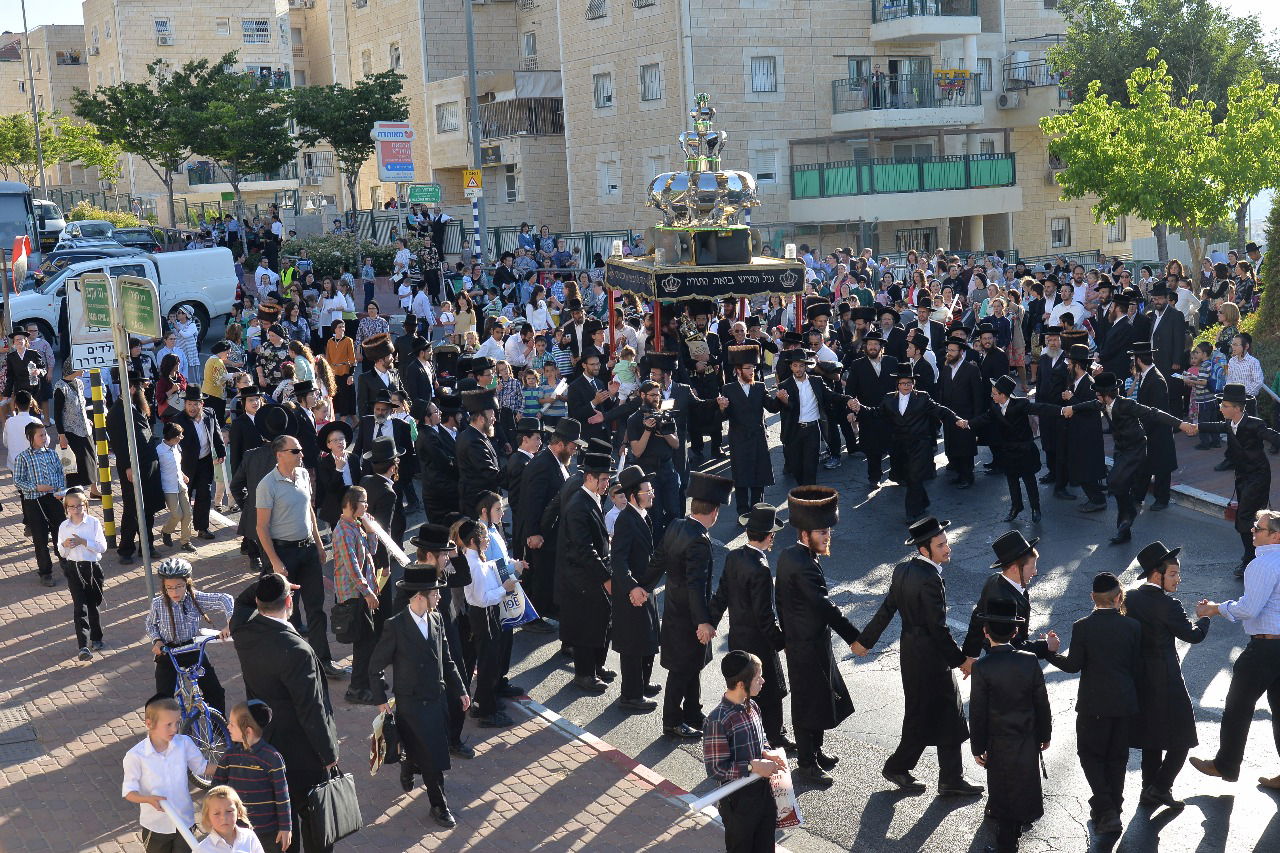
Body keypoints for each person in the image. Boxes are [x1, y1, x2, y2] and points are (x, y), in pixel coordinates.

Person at [854, 517, 983, 797]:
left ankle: (941, 776)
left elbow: (888, 608)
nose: (948, 548)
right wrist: (961, 660)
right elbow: (937, 628)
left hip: (911, 654)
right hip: (931, 658)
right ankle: (929, 774)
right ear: (925, 550)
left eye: (946, 541)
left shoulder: (902, 570)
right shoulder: (930, 580)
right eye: (941, 544)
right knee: (942, 713)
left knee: (927, 714)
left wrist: (866, 641)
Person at [230, 573, 341, 853]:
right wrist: (328, 755)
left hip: (265, 744)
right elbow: (311, 709)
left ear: (259, 602)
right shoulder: (297, 650)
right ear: (290, 601)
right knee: (316, 822)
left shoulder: (243, 630)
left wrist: (272, 583)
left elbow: (243, 601)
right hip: (301, 751)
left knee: (281, 822)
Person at [370, 562, 471, 829]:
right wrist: (381, 701)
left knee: (427, 750)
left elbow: (447, 660)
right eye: (434, 592)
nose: (439, 595)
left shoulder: (436, 619)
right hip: (412, 704)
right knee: (433, 757)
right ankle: (439, 805)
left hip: (436, 699)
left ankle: (408, 761)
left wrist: (460, 690)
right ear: (418, 596)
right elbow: (375, 666)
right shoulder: (396, 626)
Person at [775, 485, 861, 785]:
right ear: (804, 534)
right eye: (822, 532)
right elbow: (824, 606)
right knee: (807, 703)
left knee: (820, 697)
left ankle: (816, 751)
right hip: (806, 645)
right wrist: (854, 637)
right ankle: (808, 764)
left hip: (808, 642)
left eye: (828, 530)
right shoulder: (803, 565)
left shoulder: (793, 556)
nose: (828, 536)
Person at [1046, 572, 1141, 835]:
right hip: (1124, 704)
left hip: (1093, 706)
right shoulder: (1132, 627)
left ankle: (1107, 809)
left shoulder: (1082, 627)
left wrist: (1049, 652)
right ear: (1118, 597)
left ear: (1092, 598)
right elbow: (1136, 666)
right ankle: (1113, 809)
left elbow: (1073, 665)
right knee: (1117, 758)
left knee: (1091, 756)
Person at [1125, 541, 1210, 810]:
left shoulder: (1130, 597)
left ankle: (1147, 789)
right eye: (1173, 574)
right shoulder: (1168, 605)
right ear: (1156, 574)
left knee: (1152, 737)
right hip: (1165, 679)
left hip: (1139, 679)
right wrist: (1204, 617)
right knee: (1182, 737)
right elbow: (1193, 636)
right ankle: (1161, 787)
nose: (1178, 579)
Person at [1062, 371, 1192, 545]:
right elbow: (1088, 405)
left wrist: (1181, 424)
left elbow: (1154, 413)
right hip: (1121, 448)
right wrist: (1071, 408)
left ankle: (1128, 515)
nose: (1096, 396)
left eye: (1097, 393)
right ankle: (1124, 529)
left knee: (1114, 481)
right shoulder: (1102, 404)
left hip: (1136, 448)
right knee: (1119, 486)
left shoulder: (1127, 405)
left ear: (1105, 394)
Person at [255, 434, 346, 679]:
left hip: (307, 551)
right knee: (288, 612)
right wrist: (275, 561)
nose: (301, 455)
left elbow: (309, 512)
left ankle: (323, 662)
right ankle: (295, 664)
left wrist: (318, 544)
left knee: (316, 608)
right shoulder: (267, 485)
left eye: (301, 450)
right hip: (283, 553)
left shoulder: (304, 475)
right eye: (295, 451)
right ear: (280, 454)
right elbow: (261, 528)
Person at [969, 598, 1052, 853]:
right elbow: (1041, 701)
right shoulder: (1029, 661)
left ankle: (1006, 843)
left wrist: (978, 746)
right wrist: (1045, 734)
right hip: (1027, 737)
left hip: (998, 740)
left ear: (985, 632)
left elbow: (978, 712)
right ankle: (1015, 828)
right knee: (1024, 781)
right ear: (1015, 632)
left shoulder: (982, 667)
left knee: (1002, 789)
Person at [709, 503, 791, 749]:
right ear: (769, 536)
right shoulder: (761, 569)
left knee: (743, 691)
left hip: (738, 638)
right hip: (759, 642)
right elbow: (765, 614)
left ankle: (751, 733)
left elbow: (721, 594)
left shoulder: (734, 556)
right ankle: (773, 736)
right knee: (772, 691)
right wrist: (781, 642)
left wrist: (710, 622)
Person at [656, 471, 732, 734]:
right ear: (714, 512)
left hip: (675, 610)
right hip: (689, 615)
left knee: (691, 666)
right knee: (682, 670)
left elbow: (659, 561)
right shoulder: (699, 541)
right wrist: (703, 621)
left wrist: (641, 585)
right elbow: (696, 585)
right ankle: (672, 721)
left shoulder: (676, 525)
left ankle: (692, 712)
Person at [702, 650, 788, 853]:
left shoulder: (753, 707)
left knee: (765, 845)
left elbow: (762, 738)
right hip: (738, 802)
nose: (763, 681)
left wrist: (767, 752)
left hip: (763, 795)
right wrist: (752, 766)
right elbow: (716, 769)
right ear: (742, 684)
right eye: (758, 677)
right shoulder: (718, 719)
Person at [861, 364, 969, 521]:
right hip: (899, 446)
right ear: (897, 385)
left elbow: (940, 410)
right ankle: (923, 501)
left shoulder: (923, 397)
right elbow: (875, 413)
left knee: (914, 478)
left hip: (919, 445)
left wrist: (956, 419)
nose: (906, 386)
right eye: (903, 383)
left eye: (909, 383)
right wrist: (859, 409)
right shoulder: (889, 398)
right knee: (908, 477)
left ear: (914, 384)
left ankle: (913, 512)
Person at [1194, 383, 1280, 575]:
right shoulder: (1228, 423)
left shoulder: (1255, 424)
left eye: (1224, 405)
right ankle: (1257, 554)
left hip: (1258, 476)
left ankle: (1250, 559)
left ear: (1237, 408)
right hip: (1242, 476)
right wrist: (1195, 427)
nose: (1220, 408)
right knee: (1250, 518)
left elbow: (1273, 437)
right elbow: (1215, 427)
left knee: (1244, 517)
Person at [123, 695, 218, 853]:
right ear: (149, 724)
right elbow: (129, 793)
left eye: (177, 723)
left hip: (184, 821)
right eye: (168, 724)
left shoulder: (184, 743)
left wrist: (230, 765)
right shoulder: (135, 756)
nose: (174, 729)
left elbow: (202, 768)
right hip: (155, 826)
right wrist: (147, 799)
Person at [515, 418, 584, 627]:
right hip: (538, 532)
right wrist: (534, 532)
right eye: (572, 447)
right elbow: (532, 503)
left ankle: (548, 607)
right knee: (537, 574)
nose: (574, 451)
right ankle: (531, 617)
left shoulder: (556, 461)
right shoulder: (542, 465)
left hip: (551, 530)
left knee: (547, 572)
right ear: (561, 444)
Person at [558, 451, 617, 693]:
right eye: (603, 480)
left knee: (601, 620)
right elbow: (584, 549)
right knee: (587, 624)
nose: (607, 485)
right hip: (583, 576)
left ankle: (596, 666)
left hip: (592, 571)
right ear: (589, 478)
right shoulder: (578, 506)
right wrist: (606, 578)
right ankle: (584, 673)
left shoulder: (593, 498)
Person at [146, 558, 233, 714]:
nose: (174, 592)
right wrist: (157, 641)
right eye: (169, 588)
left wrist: (230, 622)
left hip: (192, 649)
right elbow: (151, 624)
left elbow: (225, 598)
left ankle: (220, 730)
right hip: (168, 652)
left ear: (187, 582)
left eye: (179, 586)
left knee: (216, 692)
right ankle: (170, 735)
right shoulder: (158, 603)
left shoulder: (196, 598)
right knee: (163, 700)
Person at [962, 531, 1057, 670]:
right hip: (1007, 667)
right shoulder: (1005, 600)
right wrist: (1046, 646)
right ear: (1014, 568)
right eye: (1032, 567)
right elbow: (1013, 646)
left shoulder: (995, 579)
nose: (1035, 572)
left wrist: (970, 656)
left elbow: (977, 618)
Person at [609, 465, 662, 712]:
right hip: (632, 592)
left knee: (647, 636)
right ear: (633, 495)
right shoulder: (625, 521)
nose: (652, 494)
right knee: (632, 643)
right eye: (647, 491)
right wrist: (632, 588)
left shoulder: (642, 515)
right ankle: (631, 695)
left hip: (644, 588)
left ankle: (642, 683)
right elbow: (618, 560)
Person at [211, 701, 291, 853]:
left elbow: (282, 796)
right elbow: (216, 789)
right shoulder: (229, 756)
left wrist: (285, 827)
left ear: (247, 731)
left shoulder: (272, 758)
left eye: (232, 724)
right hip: (237, 829)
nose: (228, 727)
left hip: (268, 832)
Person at [330, 486, 382, 706]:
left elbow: (371, 552)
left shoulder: (357, 526)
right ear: (351, 503)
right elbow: (353, 568)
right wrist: (368, 592)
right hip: (354, 595)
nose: (367, 506)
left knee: (368, 640)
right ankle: (357, 687)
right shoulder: (343, 531)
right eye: (363, 502)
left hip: (361, 593)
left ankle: (366, 682)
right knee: (364, 642)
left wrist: (371, 530)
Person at [775, 348, 856, 485]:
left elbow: (832, 395)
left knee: (811, 468)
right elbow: (776, 408)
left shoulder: (816, 381)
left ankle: (809, 497)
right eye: (795, 365)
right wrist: (783, 401)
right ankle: (802, 492)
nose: (798, 369)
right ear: (790, 366)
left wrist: (847, 399)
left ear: (806, 366)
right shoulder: (785, 385)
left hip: (812, 430)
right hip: (793, 431)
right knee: (796, 468)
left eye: (801, 365)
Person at [716, 346, 780, 517]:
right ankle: (743, 513)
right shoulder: (728, 389)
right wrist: (722, 408)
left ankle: (757, 511)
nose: (752, 371)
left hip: (758, 437)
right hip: (739, 439)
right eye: (748, 368)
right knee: (741, 478)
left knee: (759, 478)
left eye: (753, 367)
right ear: (738, 370)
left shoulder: (759, 387)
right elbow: (725, 416)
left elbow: (772, 407)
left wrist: (781, 399)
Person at [971, 375, 1043, 522]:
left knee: (1029, 481)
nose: (991, 395)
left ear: (1003, 395)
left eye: (994, 393)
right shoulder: (995, 407)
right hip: (1008, 451)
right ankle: (1016, 506)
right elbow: (984, 419)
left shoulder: (1021, 404)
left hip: (1024, 450)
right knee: (1012, 480)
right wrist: (967, 424)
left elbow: (1041, 408)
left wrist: (1062, 411)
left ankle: (1035, 508)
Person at [107, 382, 164, 565]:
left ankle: (147, 546)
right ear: (131, 388)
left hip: (148, 464)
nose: (144, 390)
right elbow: (120, 444)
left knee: (147, 508)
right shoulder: (117, 412)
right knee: (132, 508)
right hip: (134, 466)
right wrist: (128, 467)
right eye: (141, 387)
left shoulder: (134, 406)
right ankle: (126, 549)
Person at [13, 420, 67, 587]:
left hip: (54, 499)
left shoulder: (52, 454)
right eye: (41, 435)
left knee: (61, 532)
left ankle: (65, 562)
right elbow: (18, 481)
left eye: (45, 434)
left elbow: (60, 473)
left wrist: (61, 491)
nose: (45, 438)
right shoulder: (23, 457)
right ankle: (45, 572)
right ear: (31, 438)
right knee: (40, 537)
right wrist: (36, 487)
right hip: (34, 501)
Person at [625, 380, 682, 539]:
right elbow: (637, 451)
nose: (657, 398)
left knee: (673, 511)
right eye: (652, 395)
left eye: (658, 394)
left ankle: (673, 545)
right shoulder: (634, 419)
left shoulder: (666, 414)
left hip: (667, 468)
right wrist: (648, 430)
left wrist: (664, 432)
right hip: (648, 472)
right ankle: (656, 549)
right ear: (642, 395)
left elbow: (676, 444)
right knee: (654, 514)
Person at [57, 487, 107, 660]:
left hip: (92, 568)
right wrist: (64, 545)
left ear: (85, 505)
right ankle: (83, 646)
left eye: (79, 506)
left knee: (94, 604)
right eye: (71, 507)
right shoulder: (64, 526)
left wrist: (83, 542)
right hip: (73, 569)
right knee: (80, 607)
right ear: (66, 508)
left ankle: (97, 637)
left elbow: (102, 547)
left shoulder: (93, 522)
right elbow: (61, 552)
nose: (76, 510)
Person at [171, 388, 226, 542]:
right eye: (189, 404)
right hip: (186, 465)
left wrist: (221, 450)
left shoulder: (210, 414)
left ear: (202, 404)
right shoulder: (177, 420)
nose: (192, 407)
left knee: (204, 494)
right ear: (185, 404)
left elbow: (216, 432)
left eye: (195, 404)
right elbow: (172, 445)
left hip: (205, 461)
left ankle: (202, 527)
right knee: (185, 497)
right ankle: (183, 530)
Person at [52, 359, 96, 493]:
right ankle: (74, 492)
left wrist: (86, 419)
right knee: (75, 463)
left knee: (92, 458)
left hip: (85, 429)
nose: (84, 371)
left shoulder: (79, 383)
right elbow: (57, 414)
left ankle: (93, 489)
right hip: (71, 431)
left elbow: (81, 404)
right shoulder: (60, 387)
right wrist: (61, 435)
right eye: (81, 368)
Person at [157, 423, 196, 552]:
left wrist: (183, 475)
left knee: (188, 514)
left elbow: (176, 465)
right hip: (168, 487)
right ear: (172, 437)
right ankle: (166, 531)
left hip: (180, 484)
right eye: (179, 435)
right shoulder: (159, 450)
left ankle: (186, 541)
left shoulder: (176, 447)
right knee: (177, 514)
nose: (181, 437)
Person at [195, 786, 267, 853]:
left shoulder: (249, 836)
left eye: (229, 811)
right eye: (217, 813)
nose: (223, 817)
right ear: (208, 817)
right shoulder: (202, 849)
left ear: (239, 812)